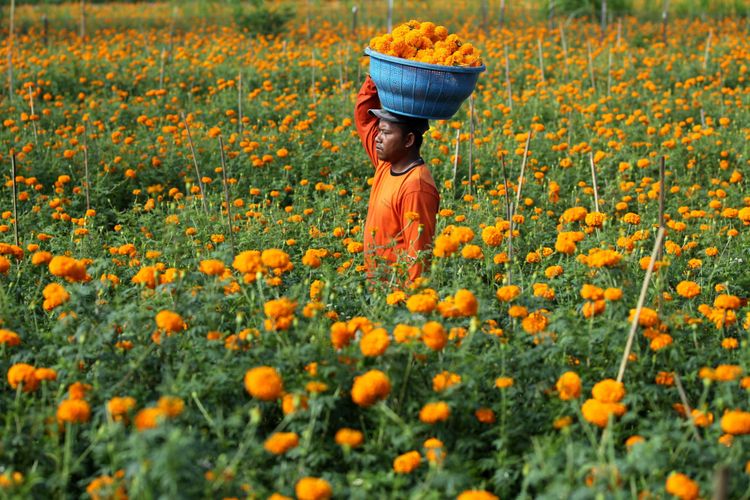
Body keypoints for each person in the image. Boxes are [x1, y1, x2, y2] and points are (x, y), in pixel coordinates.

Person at [354, 75, 440, 283]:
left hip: (394, 297)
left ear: (409, 140)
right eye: (379, 131)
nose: (377, 137)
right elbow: (364, 119)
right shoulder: (386, 165)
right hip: (377, 290)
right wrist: (376, 77)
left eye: (385, 132)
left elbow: (418, 257)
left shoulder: (416, 187)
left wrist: (407, 307)